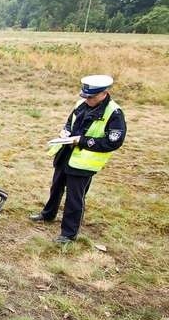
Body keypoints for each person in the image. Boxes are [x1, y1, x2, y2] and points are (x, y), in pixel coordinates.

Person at [30, 75, 127, 244]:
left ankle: (68, 234)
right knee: (56, 187)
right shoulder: (81, 104)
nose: (87, 99)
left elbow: (113, 142)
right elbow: (70, 122)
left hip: (84, 162)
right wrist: (66, 132)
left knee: (74, 198)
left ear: (104, 93)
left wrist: (82, 141)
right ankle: (47, 215)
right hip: (66, 153)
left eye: (91, 97)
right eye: (85, 96)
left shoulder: (114, 113)